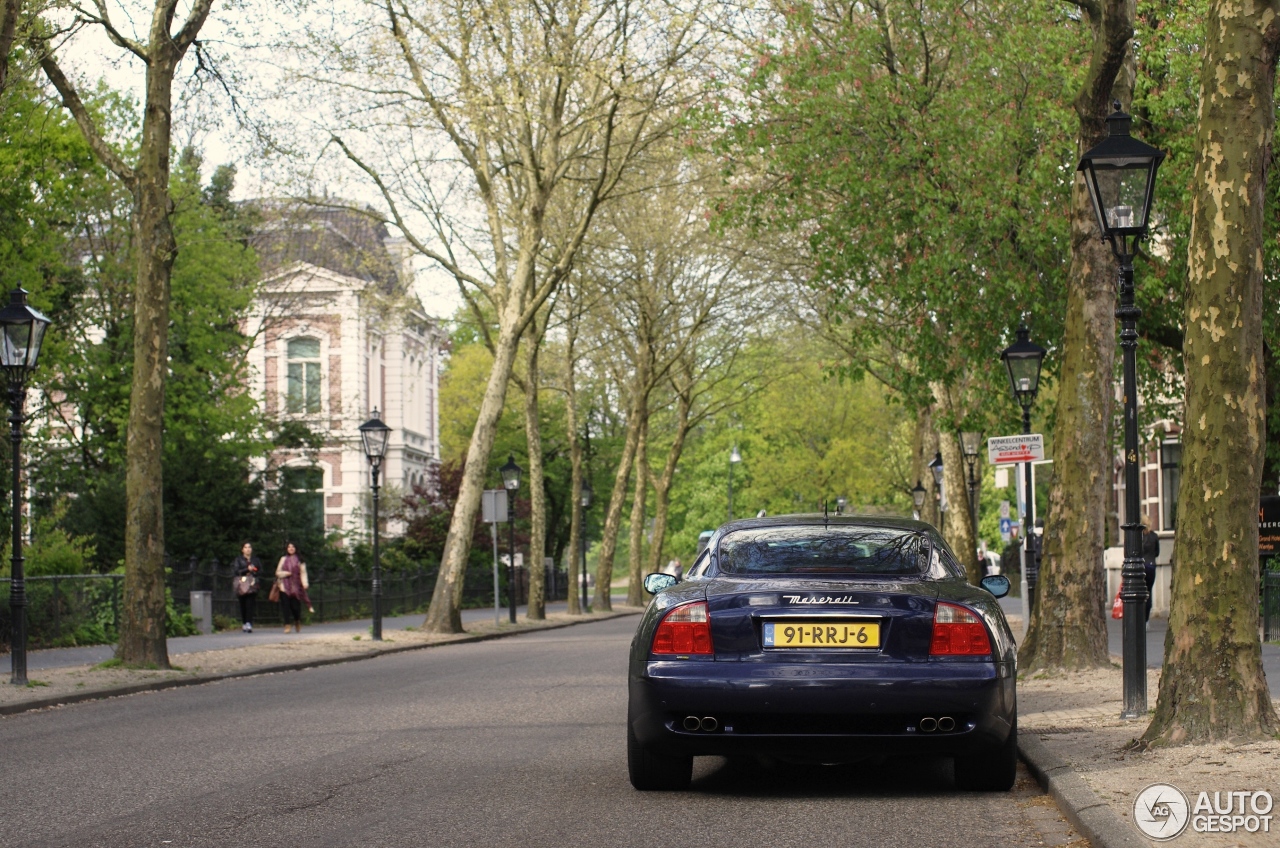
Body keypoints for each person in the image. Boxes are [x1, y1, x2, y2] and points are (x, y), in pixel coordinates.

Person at [275, 541, 314, 634]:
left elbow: (303, 573)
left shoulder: (300, 560)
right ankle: (287, 625)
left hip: (296, 586)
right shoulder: (283, 559)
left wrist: (305, 583)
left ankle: (297, 620)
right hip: (284, 585)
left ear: (296, 548)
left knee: (295, 608)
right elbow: (277, 572)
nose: (291, 548)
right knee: (285, 606)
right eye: (289, 547)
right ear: (287, 549)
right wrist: (286, 573)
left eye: (293, 547)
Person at [232, 542, 262, 633]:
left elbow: (260, 570)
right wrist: (246, 570)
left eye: (249, 547)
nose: (248, 549)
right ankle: (244, 622)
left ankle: (249, 623)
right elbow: (236, 571)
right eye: (245, 547)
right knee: (243, 604)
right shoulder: (238, 559)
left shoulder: (255, 560)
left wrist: (254, 571)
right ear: (242, 549)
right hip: (242, 584)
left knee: (250, 604)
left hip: (252, 584)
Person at [1141, 515, 1160, 622]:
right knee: (1148, 592)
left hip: (1140, 567)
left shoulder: (1138, 537)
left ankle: (1139, 618)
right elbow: (1157, 552)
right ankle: (1146, 620)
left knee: (1139, 593)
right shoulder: (1154, 536)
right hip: (1151, 566)